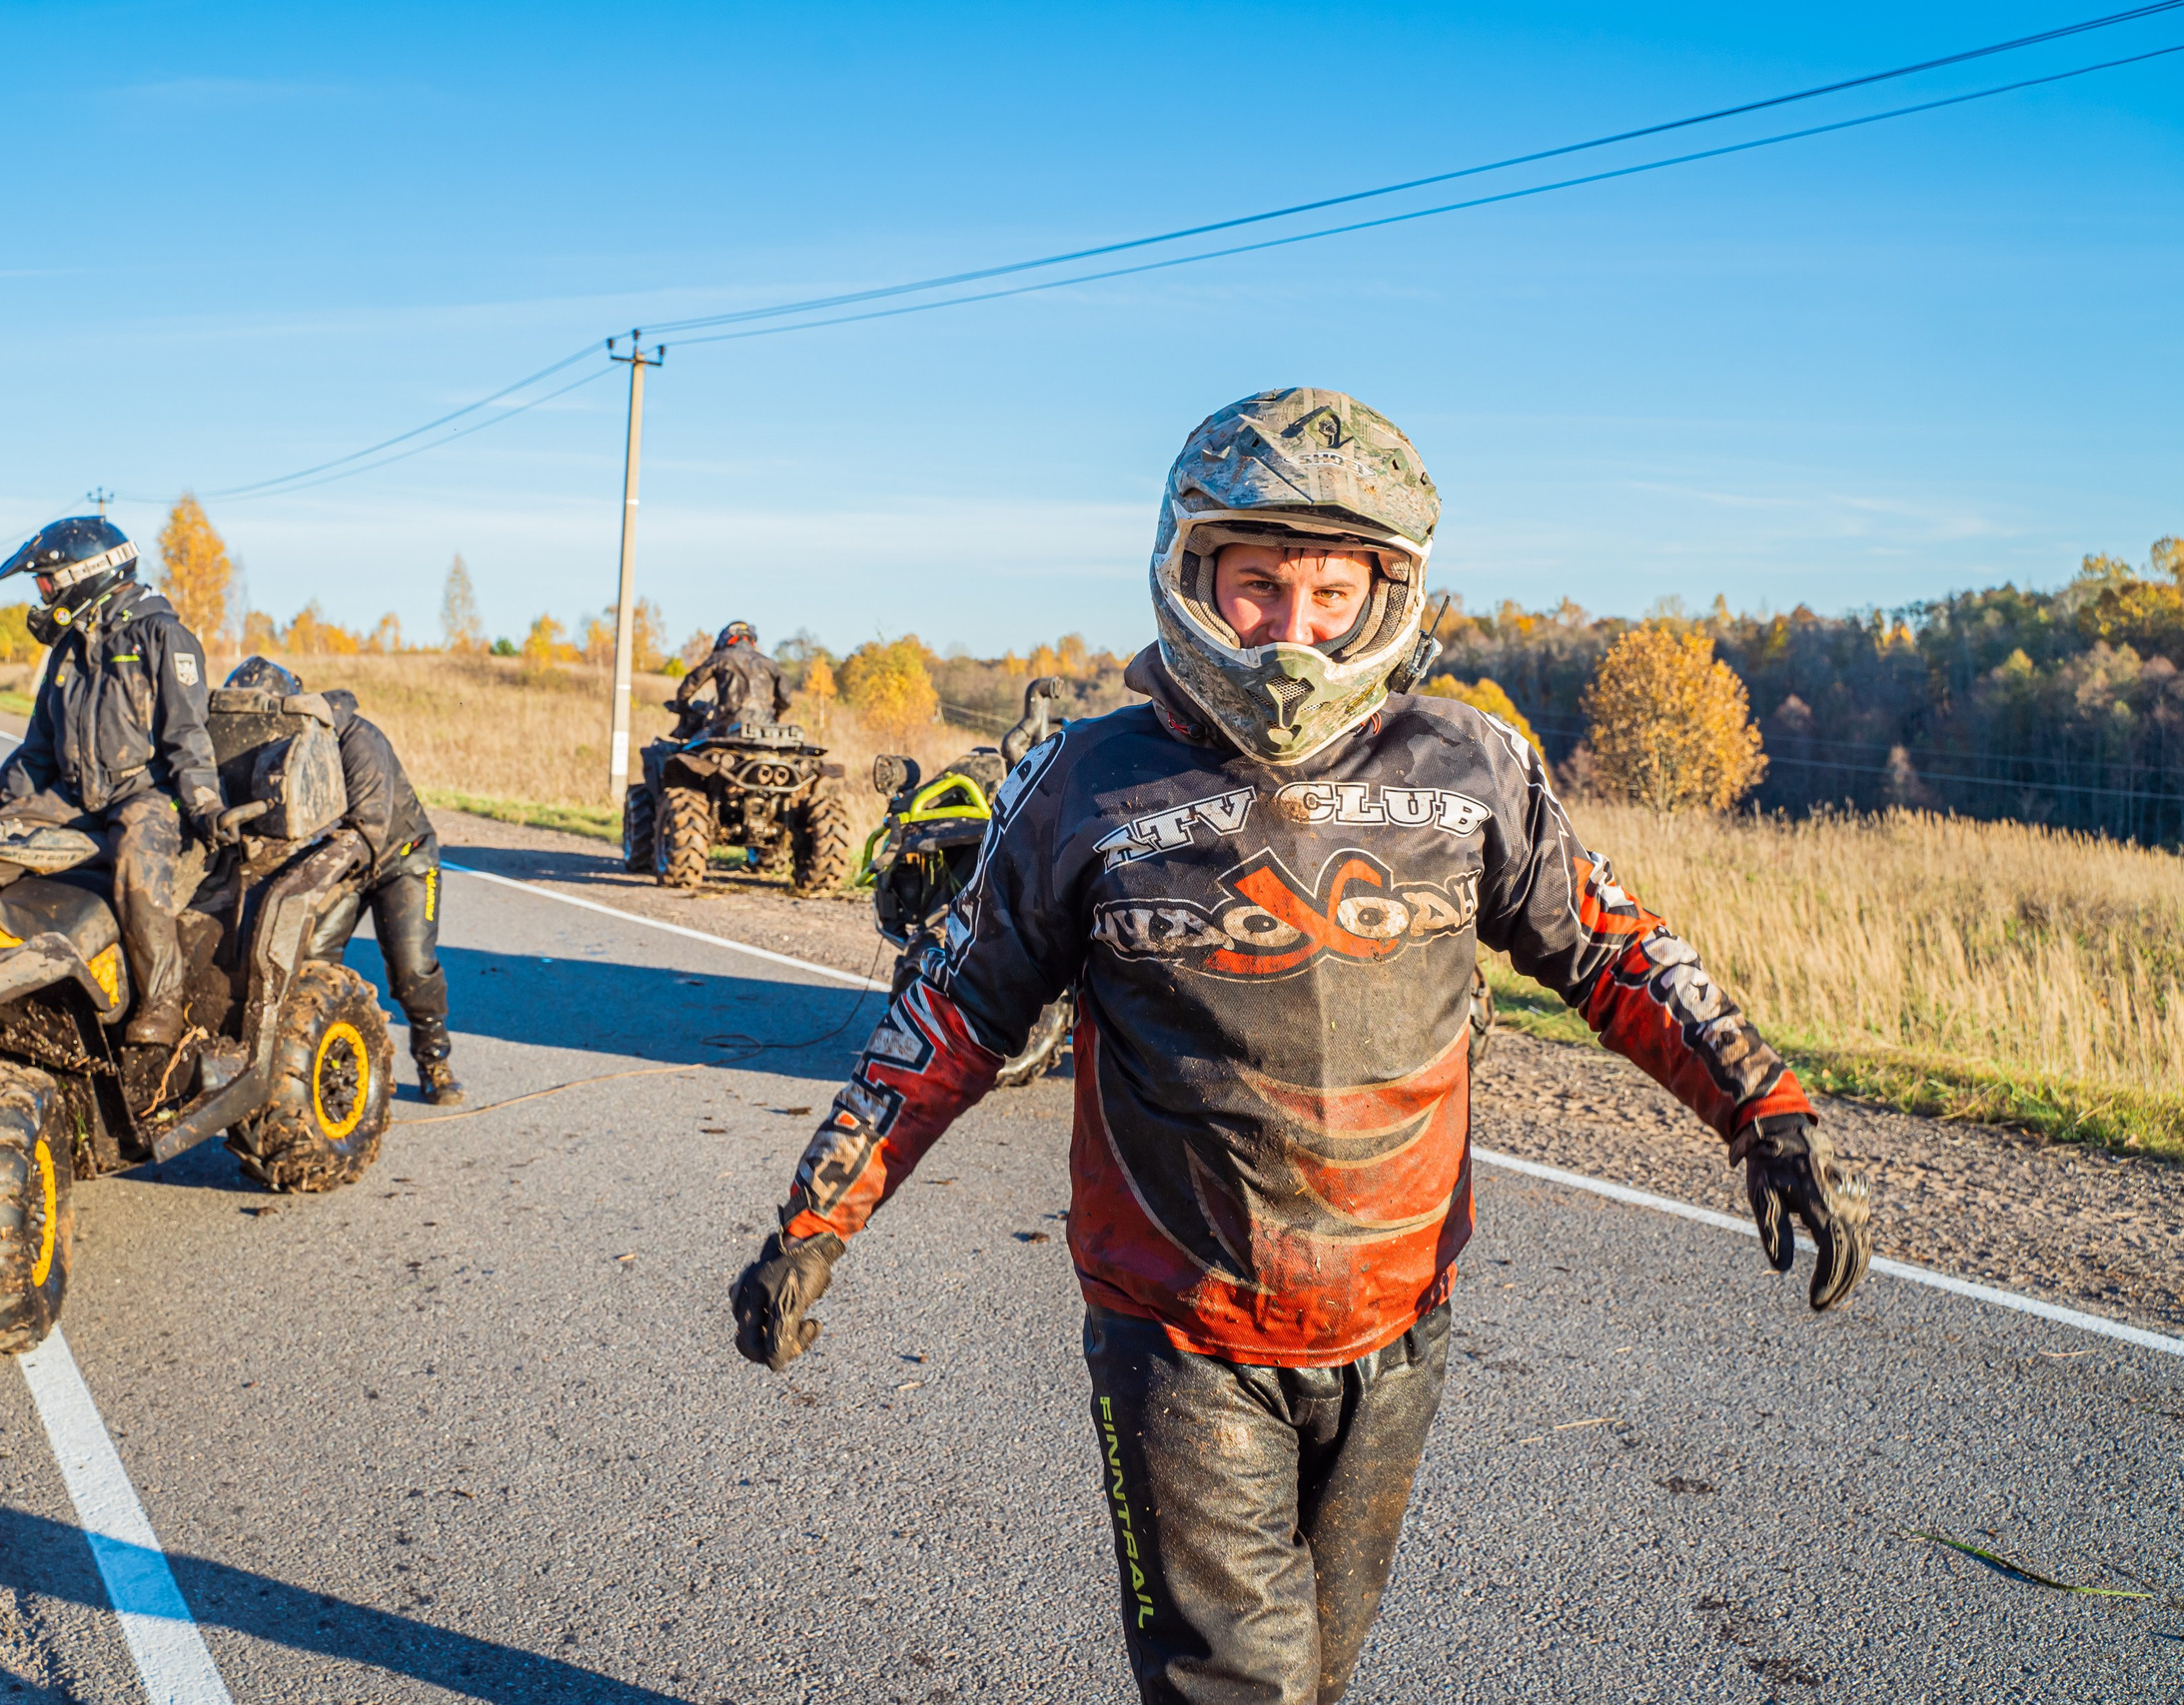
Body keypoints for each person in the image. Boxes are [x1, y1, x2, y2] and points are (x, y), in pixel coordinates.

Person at [728, 389, 1871, 1705]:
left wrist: (1765, 1110)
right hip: (1181, 1333)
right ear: (1191, 572)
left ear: (1388, 593)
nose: (1293, 626)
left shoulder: (1471, 766)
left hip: (1401, 1322)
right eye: (1259, 582)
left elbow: (1612, 947)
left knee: (1316, 1673)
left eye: (1331, 589)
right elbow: (952, 1015)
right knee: (1238, 1687)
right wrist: (814, 1221)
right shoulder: (1082, 781)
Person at [0, 516, 229, 1046]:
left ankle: (162, 1003)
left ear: (88, 574)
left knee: (135, 866)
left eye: (48, 582)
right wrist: (1, 810)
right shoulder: (68, 651)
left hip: (148, 794)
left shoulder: (163, 636)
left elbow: (188, 735)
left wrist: (205, 806)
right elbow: (37, 748)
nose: (44, 595)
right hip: (76, 796)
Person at [224, 657, 460, 1106]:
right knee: (309, 961)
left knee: (411, 965)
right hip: (336, 865)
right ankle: (320, 1061)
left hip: (400, 858)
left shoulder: (357, 739)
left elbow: (367, 829)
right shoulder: (263, 749)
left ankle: (435, 1060)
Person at [666, 620, 789, 736]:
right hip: (765, 728)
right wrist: (772, 717)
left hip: (725, 726)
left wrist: (680, 707)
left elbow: (690, 684)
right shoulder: (771, 664)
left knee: (685, 748)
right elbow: (785, 699)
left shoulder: (720, 658)